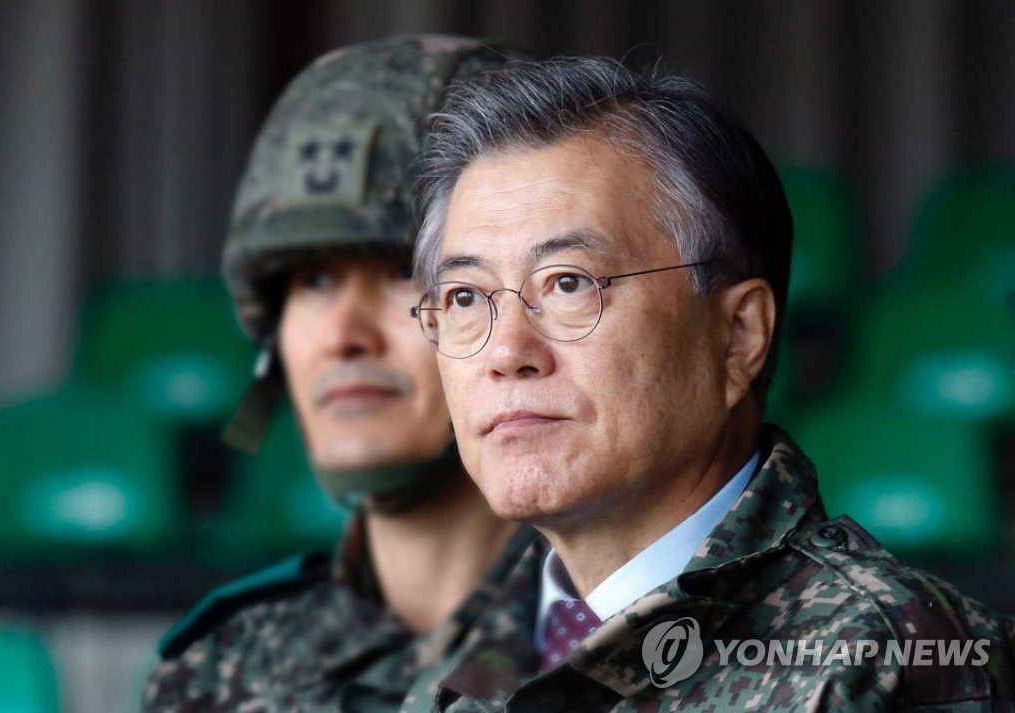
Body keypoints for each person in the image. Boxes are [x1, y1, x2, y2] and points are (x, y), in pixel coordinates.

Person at [403, 56, 1015, 710]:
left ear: (737, 336)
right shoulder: (453, 666)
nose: (506, 351)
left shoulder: (893, 659)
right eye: (464, 296)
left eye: (569, 283)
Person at [141, 35, 543, 712]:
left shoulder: (645, 651)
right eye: (314, 280)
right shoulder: (219, 671)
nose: (343, 336)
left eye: (402, 272)